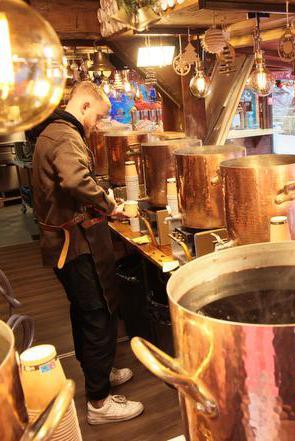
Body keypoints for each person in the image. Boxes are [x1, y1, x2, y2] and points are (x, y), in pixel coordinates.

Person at [30, 81, 144, 425]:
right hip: (75, 247)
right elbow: (76, 181)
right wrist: (109, 205)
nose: (97, 124)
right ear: (83, 107)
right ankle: (99, 403)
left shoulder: (54, 131)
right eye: (98, 116)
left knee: (85, 312)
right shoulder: (65, 136)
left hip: (64, 245)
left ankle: (100, 373)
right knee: (97, 316)